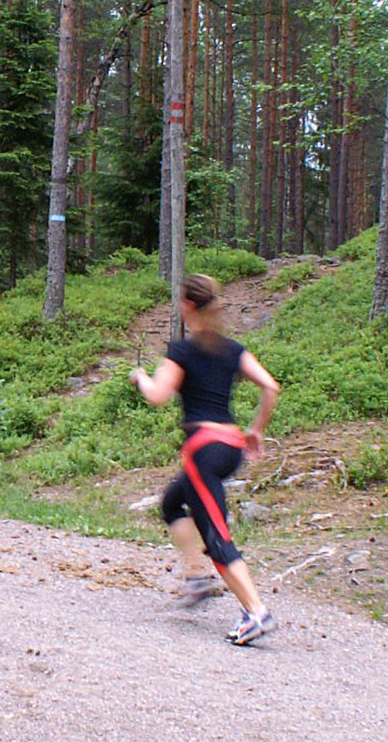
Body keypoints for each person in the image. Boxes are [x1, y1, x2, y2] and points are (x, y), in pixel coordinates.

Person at [129, 273, 282, 646]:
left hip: (203, 450)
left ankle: (256, 611)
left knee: (216, 535)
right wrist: (256, 429)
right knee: (172, 503)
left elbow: (158, 396)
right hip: (229, 448)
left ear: (187, 307)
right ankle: (197, 577)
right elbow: (271, 386)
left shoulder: (182, 350)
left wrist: (140, 377)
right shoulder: (232, 349)